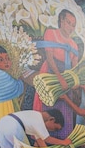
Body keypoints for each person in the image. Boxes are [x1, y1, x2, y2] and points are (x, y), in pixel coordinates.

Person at [33, 9, 80, 139]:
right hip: (51, 74)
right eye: (68, 23)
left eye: (73, 25)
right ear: (61, 21)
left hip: (66, 77)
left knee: (65, 108)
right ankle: (45, 140)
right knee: (49, 106)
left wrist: (75, 81)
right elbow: (49, 58)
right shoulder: (51, 33)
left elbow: (74, 66)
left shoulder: (74, 45)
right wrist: (60, 78)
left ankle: (63, 140)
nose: (70, 27)